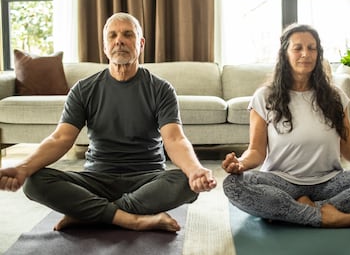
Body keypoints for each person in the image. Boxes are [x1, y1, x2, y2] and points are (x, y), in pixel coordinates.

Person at [0, 12, 217, 232]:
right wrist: (22, 168)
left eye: (127, 34)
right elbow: (60, 138)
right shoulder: (84, 89)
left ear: (140, 44)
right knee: (34, 181)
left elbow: (174, 139)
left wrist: (195, 170)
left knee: (186, 182)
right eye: (112, 36)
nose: (119, 40)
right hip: (96, 179)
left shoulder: (160, 89)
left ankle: (89, 216)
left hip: (147, 179)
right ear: (105, 47)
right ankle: (131, 219)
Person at [221, 23, 350, 230]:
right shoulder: (264, 97)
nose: (306, 54)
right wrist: (240, 164)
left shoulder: (335, 96)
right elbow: (256, 151)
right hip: (280, 181)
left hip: (330, 182)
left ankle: (299, 211)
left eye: (312, 48)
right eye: (298, 48)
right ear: (285, 54)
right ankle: (328, 216)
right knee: (234, 185)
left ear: (318, 53)